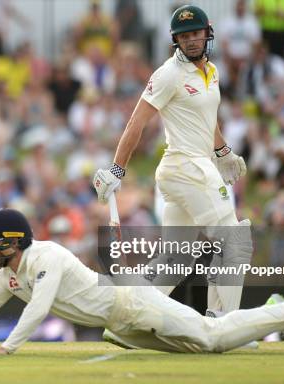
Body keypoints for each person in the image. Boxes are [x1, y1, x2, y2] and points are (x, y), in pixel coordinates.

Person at [0, 208, 284, 354]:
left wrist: (7, 348)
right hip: (121, 325)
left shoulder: (47, 256)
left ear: (12, 240)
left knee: (209, 340)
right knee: (205, 348)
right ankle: (278, 315)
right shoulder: (9, 275)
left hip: (132, 301)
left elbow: (39, 309)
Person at [93, 5, 252, 318]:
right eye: (184, 36)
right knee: (234, 241)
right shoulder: (169, 74)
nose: (191, 40)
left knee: (174, 260)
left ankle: (131, 317)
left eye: (195, 34)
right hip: (186, 167)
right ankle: (223, 324)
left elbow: (207, 119)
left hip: (191, 169)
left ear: (207, 34)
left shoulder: (212, 72)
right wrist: (117, 169)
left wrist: (223, 152)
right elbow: (136, 122)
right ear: (175, 41)